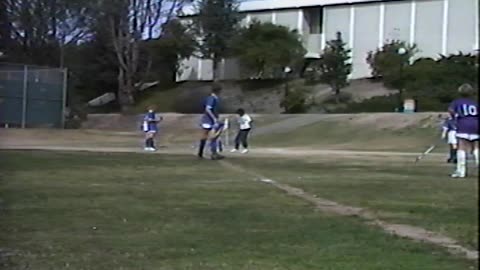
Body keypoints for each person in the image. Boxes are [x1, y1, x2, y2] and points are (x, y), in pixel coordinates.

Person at [448, 83, 479, 178]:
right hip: (476, 125)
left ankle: (461, 171)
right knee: (476, 148)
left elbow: (451, 111)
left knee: (461, 147)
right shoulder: (475, 103)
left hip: (463, 125)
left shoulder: (457, 102)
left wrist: (455, 117)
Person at [198, 84, 222, 159]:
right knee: (213, 136)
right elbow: (208, 109)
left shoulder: (213, 98)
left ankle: (201, 153)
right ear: (218, 91)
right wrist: (214, 118)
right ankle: (213, 153)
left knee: (206, 135)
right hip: (209, 120)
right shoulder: (212, 98)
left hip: (208, 120)